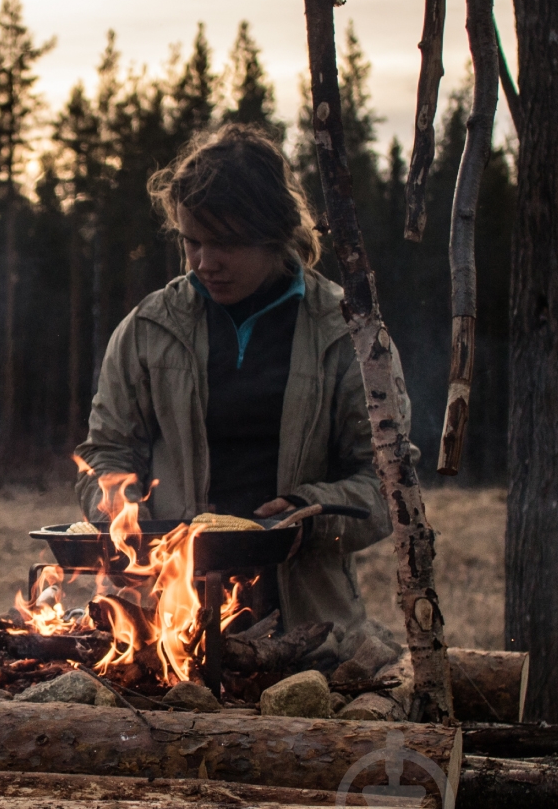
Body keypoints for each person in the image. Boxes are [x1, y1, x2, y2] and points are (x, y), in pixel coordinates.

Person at [74, 123, 412, 630]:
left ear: (275, 235)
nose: (206, 263)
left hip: (309, 627)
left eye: (226, 244)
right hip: (165, 624)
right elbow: (106, 450)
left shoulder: (347, 335)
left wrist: (309, 513)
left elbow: (391, 483)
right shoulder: (150, 329)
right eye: (192, 242)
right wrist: (120, 505)